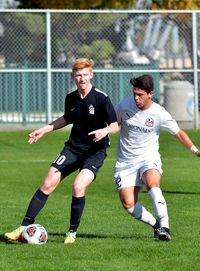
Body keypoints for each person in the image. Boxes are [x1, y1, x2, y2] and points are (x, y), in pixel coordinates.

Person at [5, 58, 118, 244]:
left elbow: (114, 125)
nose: (82, 78)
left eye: (85, 75)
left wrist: (103, 131)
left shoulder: (101, 98)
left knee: (78, 186)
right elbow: (66, 119)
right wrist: (44, 129)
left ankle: (72, 232)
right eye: (78, 75)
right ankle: (23, 228)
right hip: (73, 148)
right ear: (73, 76)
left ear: (91, 75)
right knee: (48, 182)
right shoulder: (71, 98)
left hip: (94, 152)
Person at [114, 74, 200, 241]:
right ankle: (156, 225)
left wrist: (195, 150)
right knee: (128, 203)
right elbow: (112, 124)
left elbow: (179, 133)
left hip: (148, 157)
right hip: (125, 162)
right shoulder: (124, 106)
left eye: (140, 95)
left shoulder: (159, 113)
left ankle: (165, 226)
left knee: (153, 183)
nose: (136, 98)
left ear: (150, 94)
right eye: (135, 94)